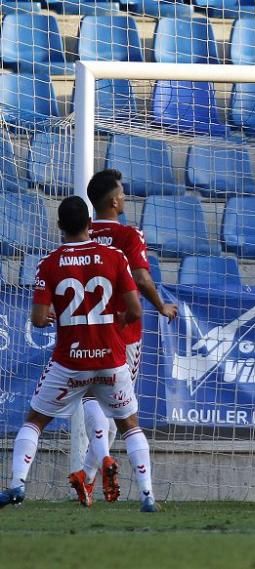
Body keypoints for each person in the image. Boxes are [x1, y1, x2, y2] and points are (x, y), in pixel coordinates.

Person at [0, 196, 160, 512]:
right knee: (130, 425)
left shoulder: (49, 263)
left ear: (59, 226)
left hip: (70, 363)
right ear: (90, 225)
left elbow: (37, 318)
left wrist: (51, 316)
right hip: (111, 360)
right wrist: (115, 322)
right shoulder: (114, 256)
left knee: (34, 422)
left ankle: (17, 485)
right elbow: (135, 309)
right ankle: (147, 496)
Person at [65, 169, 177, 506]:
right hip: (124, 332)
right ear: (114, 201)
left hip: (84, 328)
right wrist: (161, 307)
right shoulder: (129, 235)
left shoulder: (80, 233)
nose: (125, 197)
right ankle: (128, 484)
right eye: (123, 193)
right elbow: (142, 278)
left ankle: (86, 477)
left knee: (92, 398)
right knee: (123, 413)